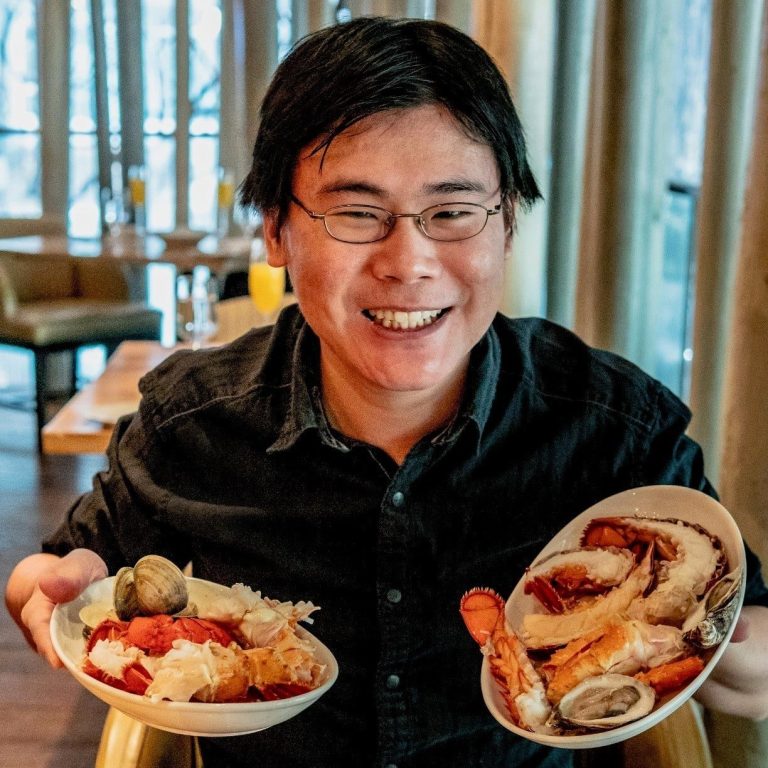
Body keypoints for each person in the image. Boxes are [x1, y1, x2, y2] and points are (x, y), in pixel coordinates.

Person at [6, 16, 768, 768]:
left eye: (454, 212)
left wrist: (737, 660)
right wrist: (45, 589)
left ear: (506, 224)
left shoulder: (613, 430)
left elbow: (752, 637)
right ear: (276, 230)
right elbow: (77, 577)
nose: (409, 262)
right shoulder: (190, 428)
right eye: (356, 213)